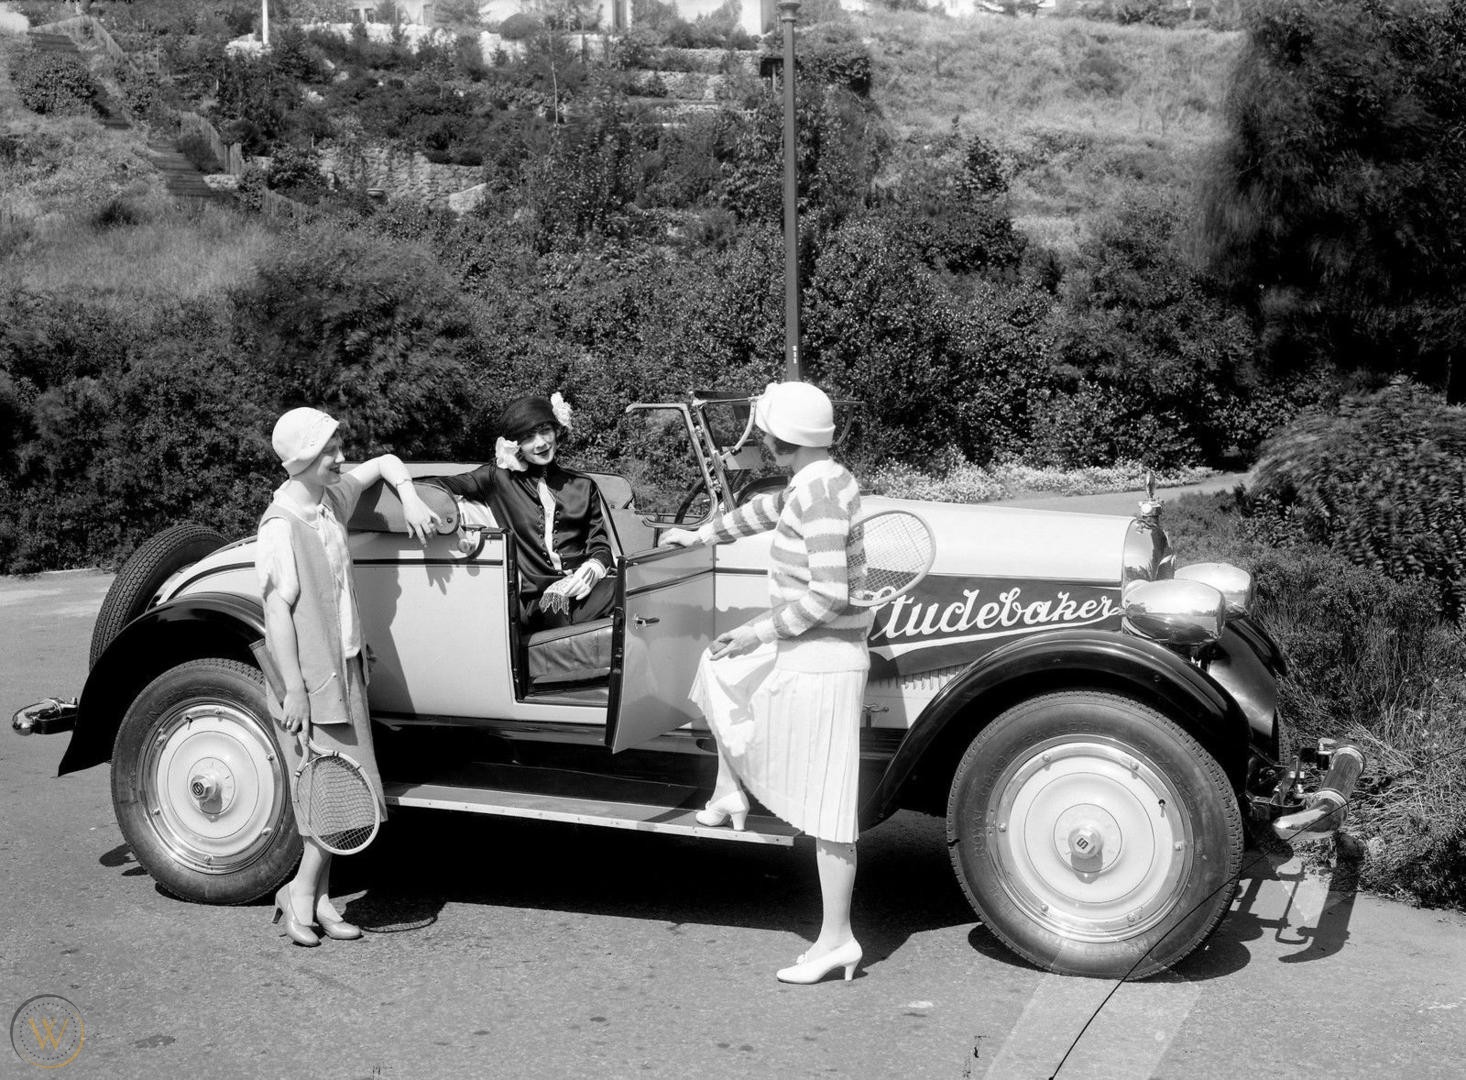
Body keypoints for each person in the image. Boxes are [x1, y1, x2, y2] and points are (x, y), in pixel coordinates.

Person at [660, 381, 872, 985]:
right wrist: (700, 535)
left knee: (831, 815)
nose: (760, 445)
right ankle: (731, 790)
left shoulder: (824, 494)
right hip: (805, 648)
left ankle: (838, 941)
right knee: (718, 668)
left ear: (781, 443)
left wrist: (760, 631)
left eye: (766, 437)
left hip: (825, 659)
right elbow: (767, 509)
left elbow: (831, 595)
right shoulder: (816, 481)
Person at [258, 406, 441, 947]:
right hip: (311, 685)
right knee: (333, 798)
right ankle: (299, 895)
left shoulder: (329, 500)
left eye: (338, 448)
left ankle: (317, 901)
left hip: (346, 671)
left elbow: (385, 462)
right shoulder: (281, 526)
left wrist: (408, 494)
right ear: (304, 460)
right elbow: (276, 616)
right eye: (331, 451)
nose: (341, 458)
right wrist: (294, 690)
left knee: (342, 796)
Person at [422, 393, 615, 632]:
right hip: (539, 602)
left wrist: (594, 567)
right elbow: (435, 486)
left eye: (545, 430)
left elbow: (600, 544)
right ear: (515, 446)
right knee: (609, 597)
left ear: (557, 430)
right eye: (528, 437)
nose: (541, 443)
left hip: (586, 589)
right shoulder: (497, 478)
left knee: (632, 587)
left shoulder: (583, 486)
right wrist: (409, 497)